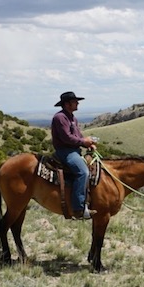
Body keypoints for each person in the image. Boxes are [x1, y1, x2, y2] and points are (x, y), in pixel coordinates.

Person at [50, 91, 98, 219]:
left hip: (74, 150)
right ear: (67, 104)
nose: (77, 103)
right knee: (83, 172)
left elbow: (77, 136)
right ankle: (78, 208)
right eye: (75, 101)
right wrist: (83, 142)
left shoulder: (72, 118)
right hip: (65, 151)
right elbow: (66, 138)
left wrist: (88, 143)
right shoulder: (60, 118)